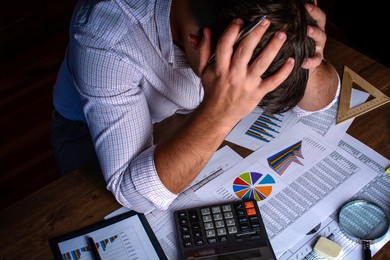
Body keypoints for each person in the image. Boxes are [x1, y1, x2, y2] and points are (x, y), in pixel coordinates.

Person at [51, 0, 339, 213]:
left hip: (189, 114)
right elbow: (134, 194)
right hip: (87, 131)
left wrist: (304, 55)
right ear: (195, 42)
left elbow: (318, 105)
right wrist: (220, 114)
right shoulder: (104, 34)